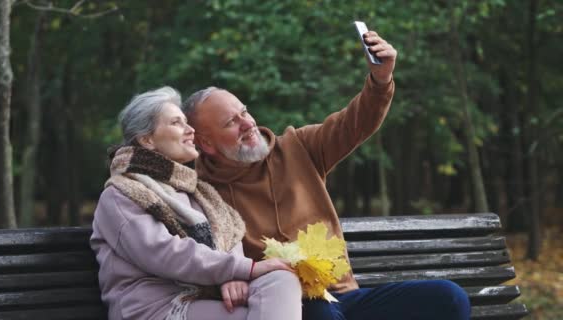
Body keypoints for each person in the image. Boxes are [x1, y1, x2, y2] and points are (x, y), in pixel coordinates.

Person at [182, 30, 471, 320]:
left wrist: (380, 79)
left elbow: (353, 124)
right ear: (205, 142)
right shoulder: (200, 194)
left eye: (244, 111)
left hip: (346, 297)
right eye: (232, 121)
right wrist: (227, 278)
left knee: (449, 298)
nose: (248, 123)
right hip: (289, 305)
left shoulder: (298, 147)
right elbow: (196, 262)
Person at [90, 86, 302, 320]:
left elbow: (229, 232)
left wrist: (234, 276)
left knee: (280, 278)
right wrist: (242, 269)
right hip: (157, 309)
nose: (191, 130)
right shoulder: (120, 195)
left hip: (204, 298)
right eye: (176, 123)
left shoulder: (198, 192)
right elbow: (165, 253)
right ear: (147, 139)